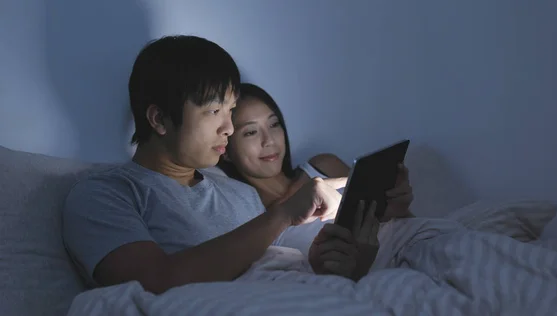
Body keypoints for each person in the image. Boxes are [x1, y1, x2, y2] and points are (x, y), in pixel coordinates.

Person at [62, 35, 396, 295]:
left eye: (230, 110)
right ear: (159, 119)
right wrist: (280, 215)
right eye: (213, 112)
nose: (229, 128)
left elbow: (276, 270)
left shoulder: (239, 194)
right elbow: (154, 282)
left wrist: (334, 265)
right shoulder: (104, 194)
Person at [217, 83, 415, 255]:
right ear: (226, 149)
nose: (269, 140)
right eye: (251, 132)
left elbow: (408, 224)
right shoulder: (251, 221)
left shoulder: (324, 166)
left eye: (274, 124)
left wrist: (399, 208)